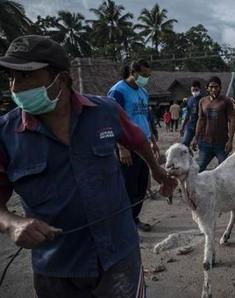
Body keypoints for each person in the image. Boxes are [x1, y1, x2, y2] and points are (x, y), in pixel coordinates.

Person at [0, 35, 175, 297]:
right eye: (10, 77)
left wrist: (158, 171)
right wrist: (11, 222)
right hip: (57, 267)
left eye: (25, 77)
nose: (15, 87)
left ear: (60, 80)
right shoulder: (5, 134)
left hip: (119, 255)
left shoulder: (105, 111)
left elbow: (137, 139)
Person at [108, 59, 159, 232]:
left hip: (143, 144)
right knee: (127, 186)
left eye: (148, 75)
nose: (146, 78)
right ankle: (123, 224)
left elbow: (145, 118)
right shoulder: (118, 91)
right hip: (127, 146)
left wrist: (153, 142)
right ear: (133, 72)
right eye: (143, 75)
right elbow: (112, 119)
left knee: (141, 184)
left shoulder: (143, 92)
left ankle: (134, 219)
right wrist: (122, 147)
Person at [191, 76, 235, 172]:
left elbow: (232, 120)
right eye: (211, 87)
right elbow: (200, 120)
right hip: (205, 142)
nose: (213, 89)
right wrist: (195, 138)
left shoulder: (226, 101)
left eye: (216, 87)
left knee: (225, 169)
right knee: (199, 168)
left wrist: (231, 140)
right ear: (207, 88)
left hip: (221, 143)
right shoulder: (202, 101)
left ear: (220, 88)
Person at [180, 81, 202, 147]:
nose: (194, 91)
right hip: (190, 126)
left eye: (196, 90)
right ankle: (189, 156)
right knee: (184, 144)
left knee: (202, 146)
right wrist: (183, 126)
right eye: (193, 90)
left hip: (201, 127)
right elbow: (187, 114)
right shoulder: (189, 99)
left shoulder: (203, 99)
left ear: (200, 89)